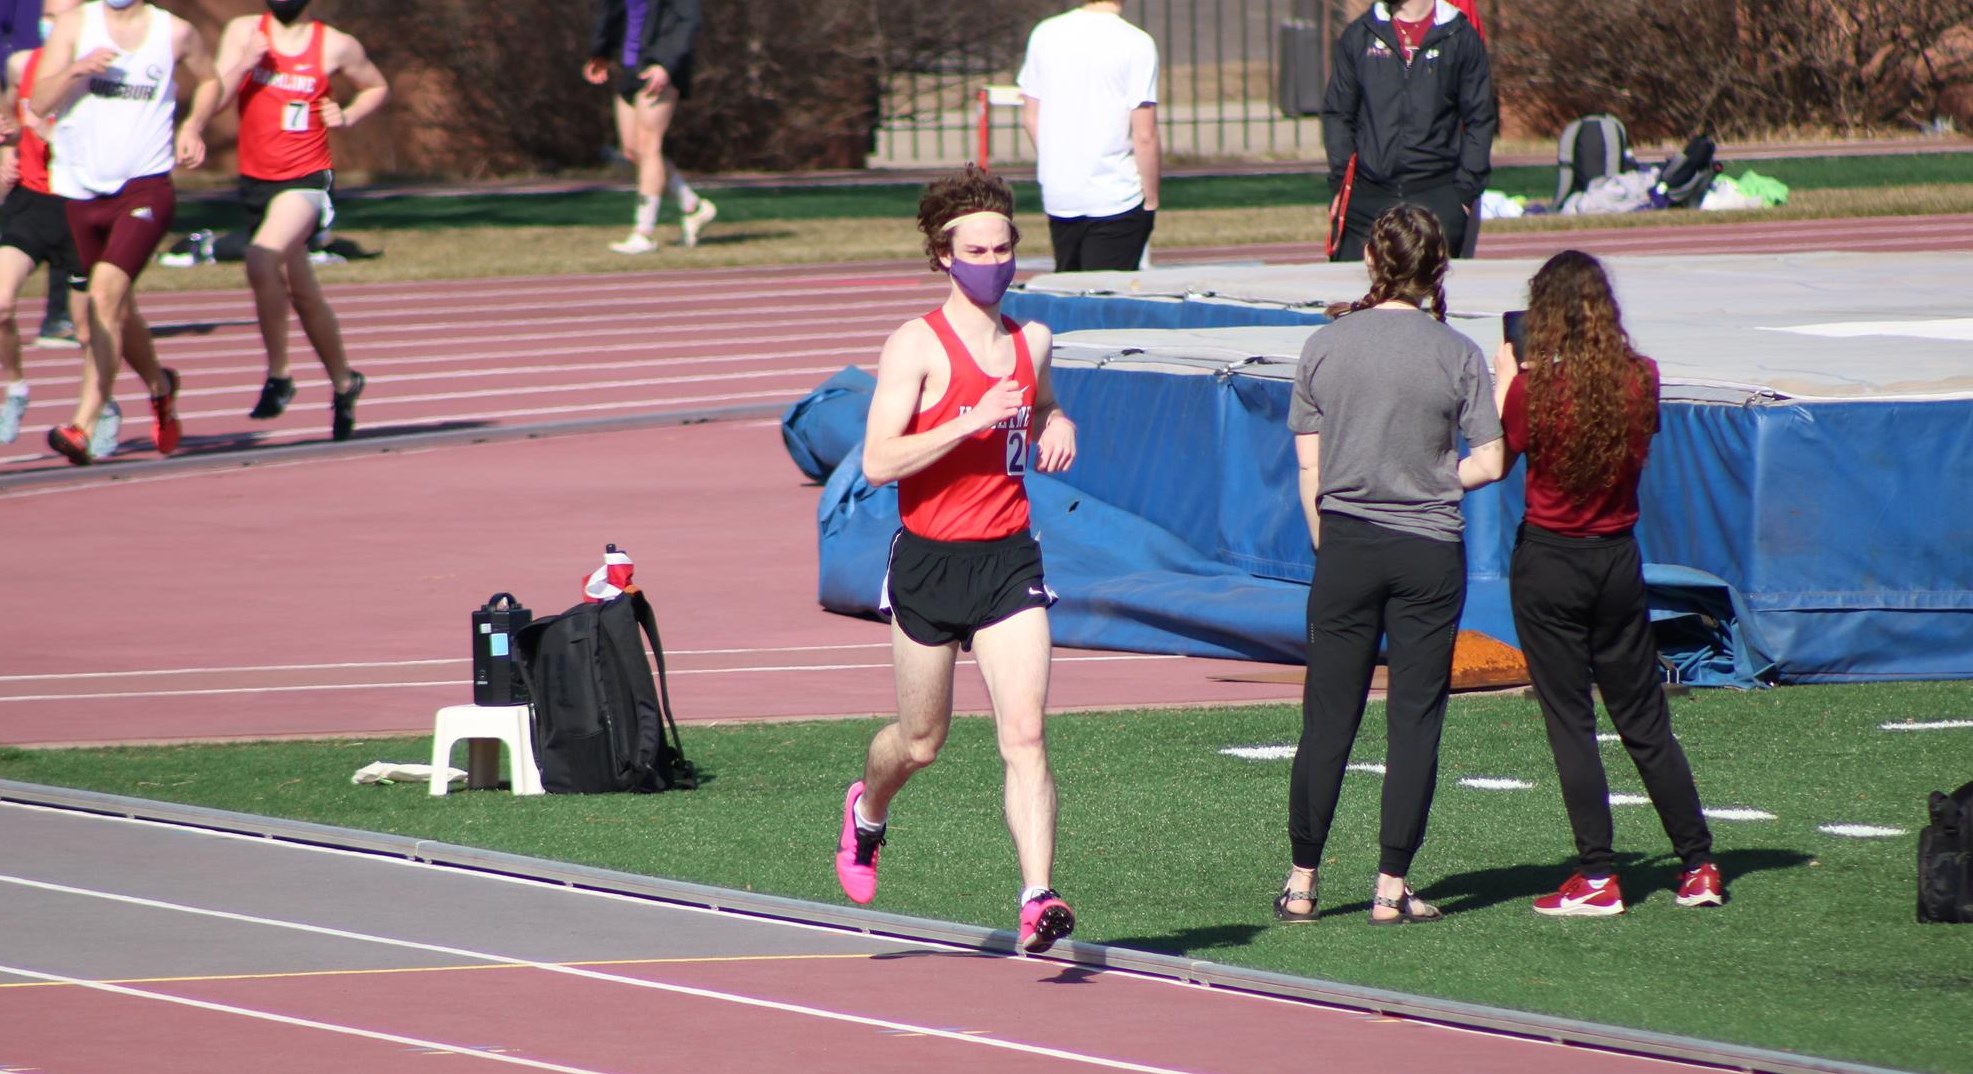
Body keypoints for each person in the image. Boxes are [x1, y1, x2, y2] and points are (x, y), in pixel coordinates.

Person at [835, 164, 1080, 954]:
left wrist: (1054, 419)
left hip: (1007, 561)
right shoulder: (915, 345)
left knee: (1025, 735)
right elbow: (877, 461)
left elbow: (1038, 400)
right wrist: (969, 420)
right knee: (919, 743)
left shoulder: (1029, 339)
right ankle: (867, 811)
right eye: (975, 250)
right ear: (944, 255)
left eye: (1003, 248)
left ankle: (1036, 895)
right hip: (930, 565)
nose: (993, 263)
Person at [1280, 204, 1504, 925]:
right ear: (1437, 269)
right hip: (1428, 548)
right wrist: (1437, 480)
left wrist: (1329, 536)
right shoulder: (1457, 353)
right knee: (1414, 720)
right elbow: (1492, 460)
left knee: (1326, 720)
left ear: (1373, 263)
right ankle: (1389, 888)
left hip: (1346, 541)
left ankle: (1301, 882)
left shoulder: (1324, 343)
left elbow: (1308, 466)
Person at [1492, 250, 1724, 916]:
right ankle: (1697, 862)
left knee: (1570, 721)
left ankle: (1597, 874)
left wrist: (1510, 376)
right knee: (1645, 720)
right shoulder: (1639, 378)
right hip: (1617, 558)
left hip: (1549, 559)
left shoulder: (1531, 390)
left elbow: (1505, 446)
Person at [31, 0, 217, 465]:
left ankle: (82, 426)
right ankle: (160, 387)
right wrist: (77, 69)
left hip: (145, 187)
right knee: (120, 310)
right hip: (82, 189)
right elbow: (38, 101)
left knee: (104, 298)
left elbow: (212, 79)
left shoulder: (174, 32)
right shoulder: (75, 24)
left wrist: (193, 125)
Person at [199, 0, 387, 441]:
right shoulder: (245, 33)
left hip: (306, 180)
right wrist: (245, 63)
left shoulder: (335, 45)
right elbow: (218, 98)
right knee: (302, 292)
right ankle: (345, 382)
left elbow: (376, 86)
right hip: (255, 182)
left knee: (261, 259)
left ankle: (280, 375)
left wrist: (349, 114)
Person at [1321, 0, 1494, 263]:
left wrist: (1463, 195)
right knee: (1352, 300)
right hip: (1367, 196)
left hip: (1437, 195)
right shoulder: (1360, 34)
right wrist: (1342, 183)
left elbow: (1480, 119)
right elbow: (1337, 113)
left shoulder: (1459, 36)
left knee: (1428, 298)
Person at [1016, 0, 1161, 273]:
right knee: (1108, 302)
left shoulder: (1045, 33)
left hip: (1060, 192)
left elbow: (1030, 116)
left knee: (1069, 297)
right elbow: (1145, 133)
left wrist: (1057, 159)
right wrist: (1151, 198)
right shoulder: (1136, 42)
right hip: (1116, 193)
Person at [0, 0, 88, 446]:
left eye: (62, 13)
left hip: (81, 202)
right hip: (32, 201)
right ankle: (13, 389)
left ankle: (100, 403)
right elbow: (12, 118)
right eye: (47, 14)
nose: (50, 23)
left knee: (90, 325)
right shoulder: (21, 64)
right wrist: (7, 147)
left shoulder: (100, 68)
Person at [583, 0, 716, 255]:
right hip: (629, 67)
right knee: (633, 151)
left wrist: (665, 64)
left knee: (649, 145)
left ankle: (643, 233)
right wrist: (600, 52)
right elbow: (613, 13)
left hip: (659, 70)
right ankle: (694, 207)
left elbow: (688, 22)